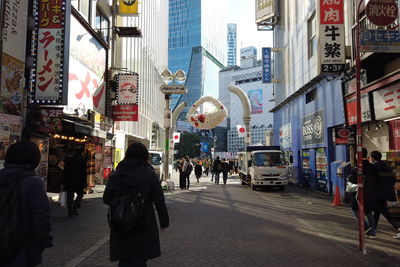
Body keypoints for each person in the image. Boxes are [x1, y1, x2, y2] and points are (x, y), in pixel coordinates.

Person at [103, 142, 169, 266]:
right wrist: (164, 221)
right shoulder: (149, 175)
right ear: (145, 156)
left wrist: (121, 203)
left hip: (121, 222)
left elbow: (106, 198)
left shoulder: (117, 174)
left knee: (124, 258)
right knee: (139, 258)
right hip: (143, 223)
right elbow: (159, 201)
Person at [0, 141, 53, 266]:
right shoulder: (33, 183)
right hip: (21, 244)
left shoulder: (2, 176)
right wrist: (45, 240)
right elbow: (41, 216)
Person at [348, 148, 380, 238]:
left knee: (354, 209)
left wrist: (350, 178)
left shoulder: (358, 166)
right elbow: (378, 180)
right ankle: (373, 232)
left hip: (360, 193)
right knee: (369, 211)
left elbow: (353, 180)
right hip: (372, 193)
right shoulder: (373, 166)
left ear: (358, 155)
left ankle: (366, 226)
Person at [370, 151, 400, 238]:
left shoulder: (373, 167)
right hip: (386, 192)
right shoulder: (387, 166)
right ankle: (373, 228)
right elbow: (393, 179)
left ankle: (398, 226)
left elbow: (371, 180)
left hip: (377, 193)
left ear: (373, 158)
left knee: (385, 212)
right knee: (377, 210)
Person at [62, 147, 87, 217]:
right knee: (80, 194)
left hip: (69, 181)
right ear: (81, 153)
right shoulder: (82, 160)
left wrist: (64, 180)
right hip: (79, 181)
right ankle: (75, 207)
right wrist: (85, 182)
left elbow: (65, 171)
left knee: (70, 196)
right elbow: (84, 173)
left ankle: (70, 211)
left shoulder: (68, 159)